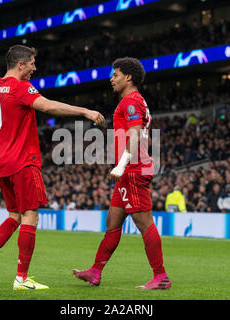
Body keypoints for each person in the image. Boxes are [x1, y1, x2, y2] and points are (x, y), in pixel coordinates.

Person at [0, 45, 105, 290]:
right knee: (31, 216)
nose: (35, 68)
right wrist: (85, 111)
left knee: (15, 215)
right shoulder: (21, 87)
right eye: (32, 63)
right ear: (20, 64)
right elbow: (47, 106)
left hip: (1, 163)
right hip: (23, 161)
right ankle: (21, 278)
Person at [72, 57, 171, 290]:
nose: (111, 79)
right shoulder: (133, 101)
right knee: (113, 222)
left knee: (144, 223)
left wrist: (122, 164)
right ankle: (95, 271)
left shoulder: (131, 101)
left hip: (133, 169)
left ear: (128, 77)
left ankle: (161, 276)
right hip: (130, 169)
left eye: (115, 74)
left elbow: (135, 134)